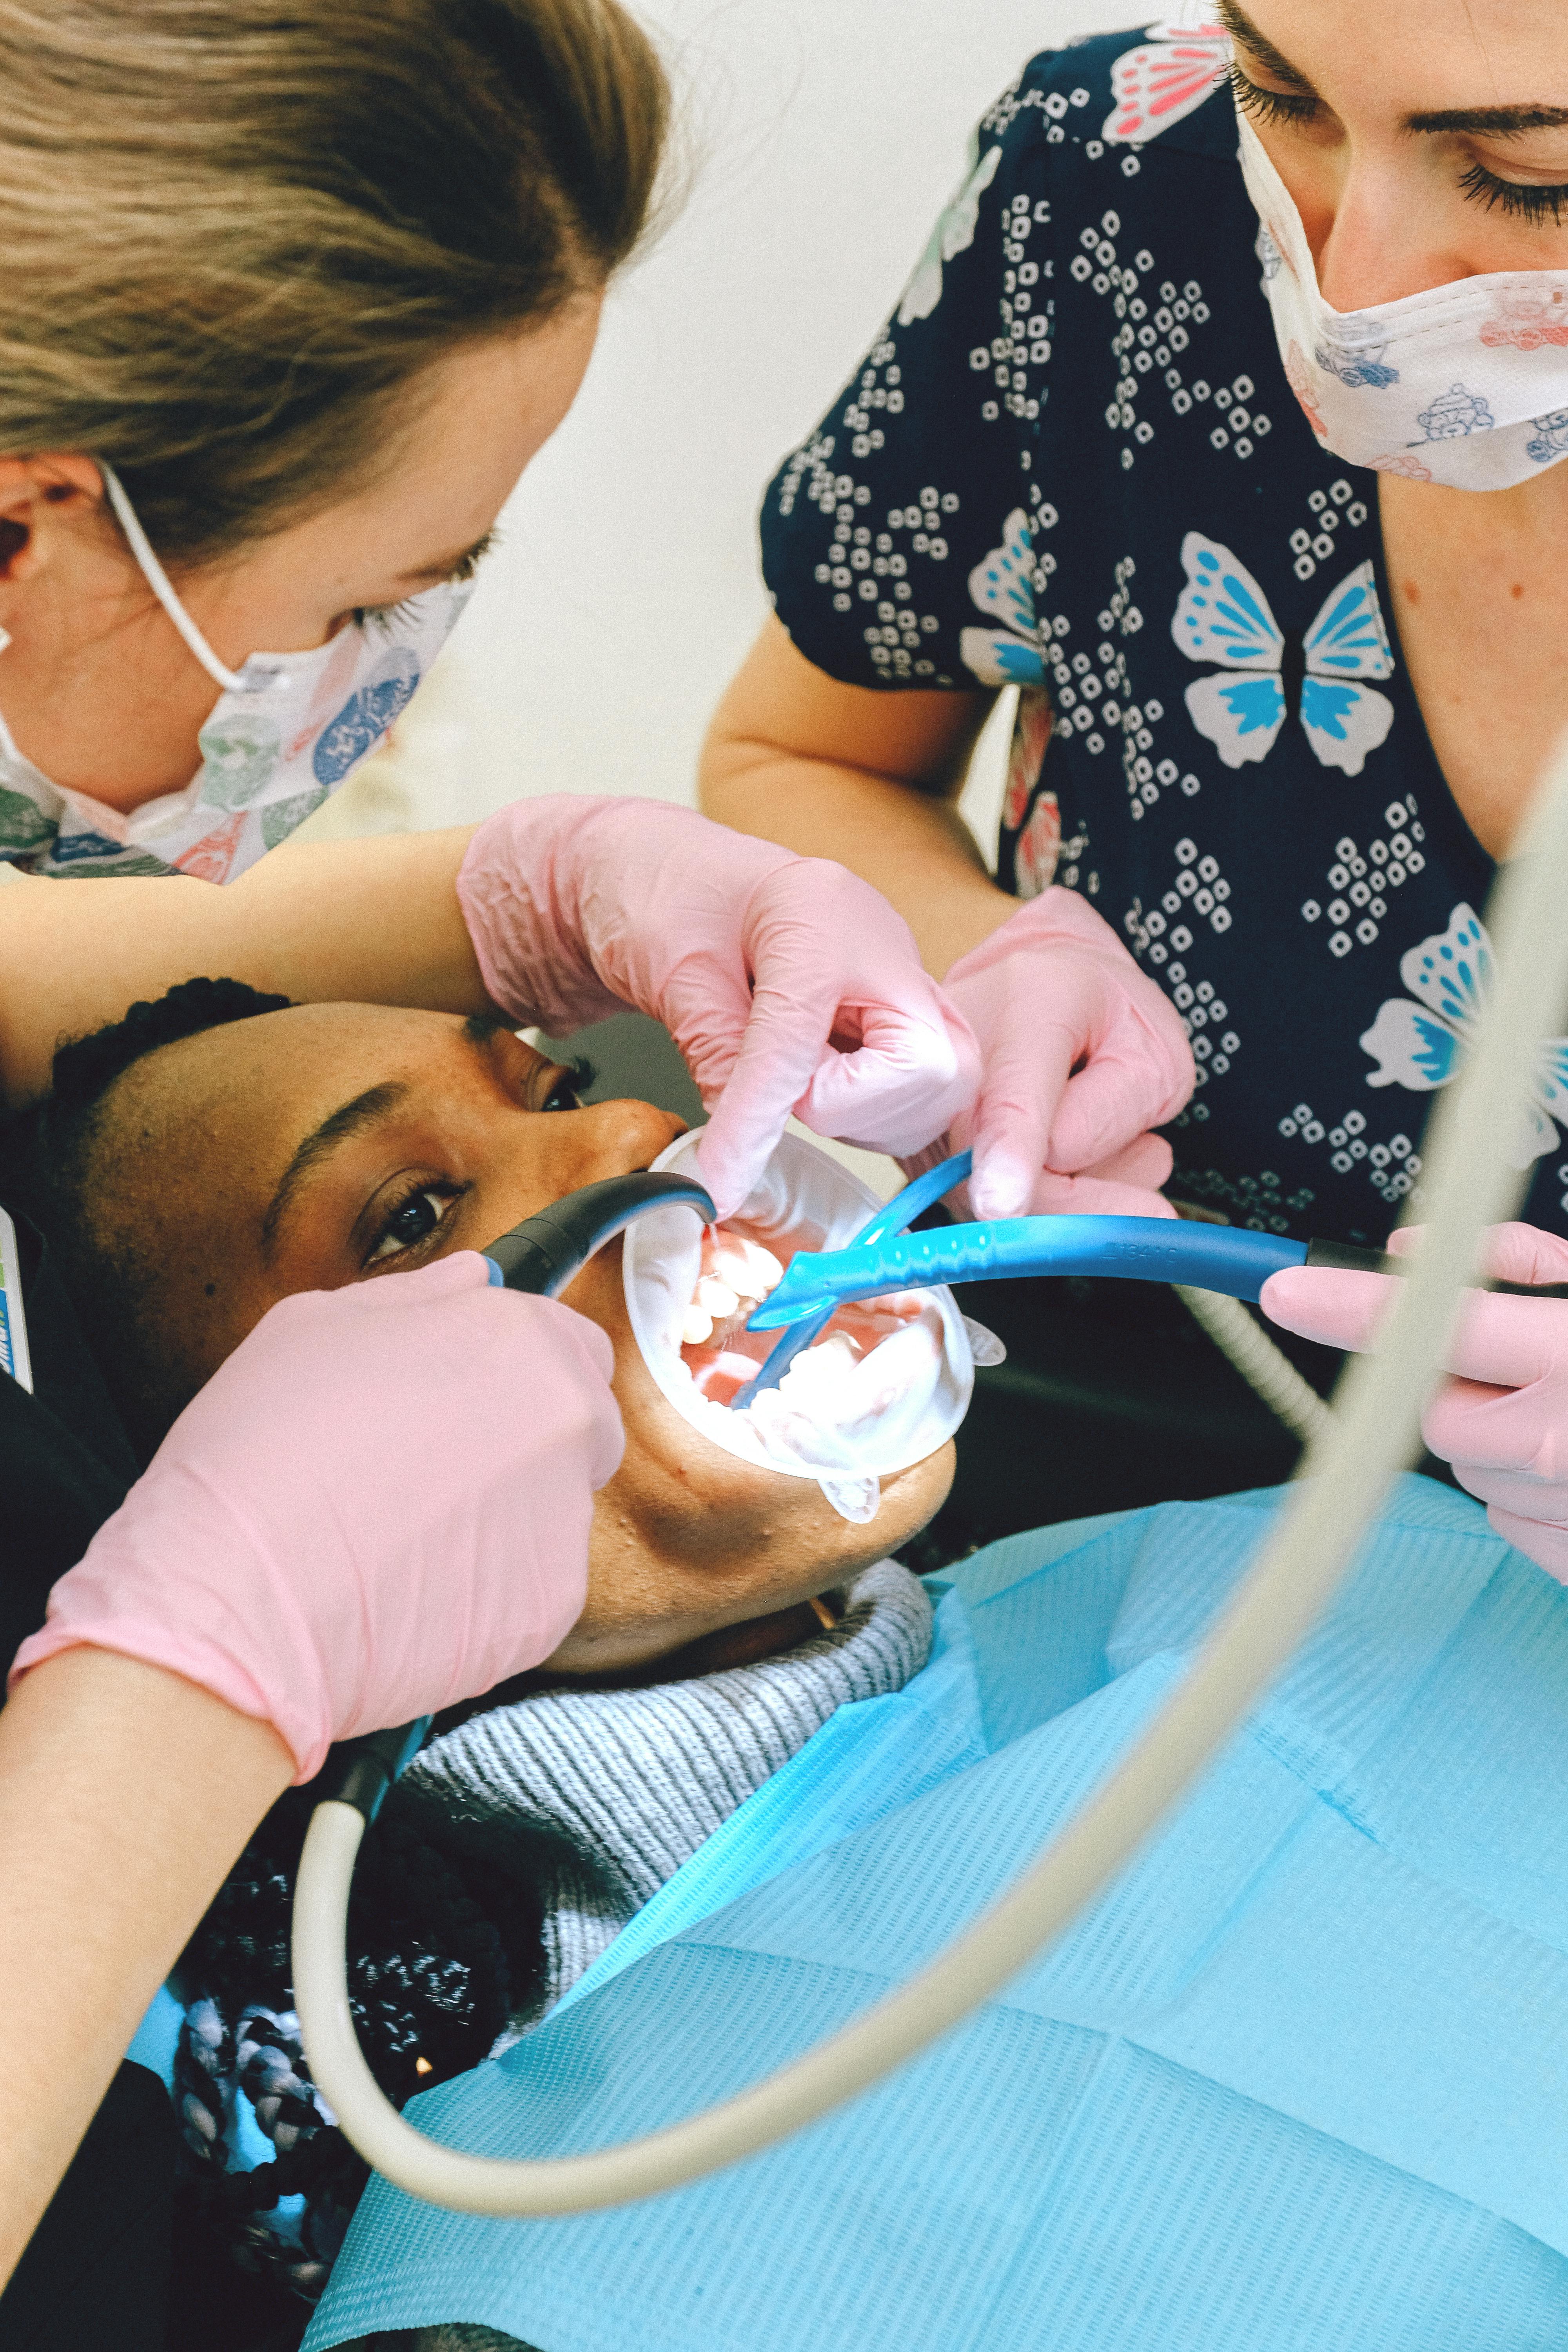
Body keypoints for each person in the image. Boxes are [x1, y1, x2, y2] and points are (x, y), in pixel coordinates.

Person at [699, 0, 1568, 1538]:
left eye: (1525, 179)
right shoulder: (1116, 181)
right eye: (1281, 94)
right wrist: (974, 980)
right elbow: (791, 757)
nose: (1343, 280)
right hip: (1069, 1406)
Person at [0, 976, 956, 2336]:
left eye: (552, 1086)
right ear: (273, 1462)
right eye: (409, 1218)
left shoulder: (1184, 1593)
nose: (634, 1129)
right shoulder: (441, 2191)